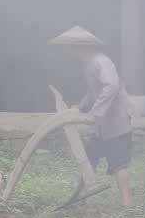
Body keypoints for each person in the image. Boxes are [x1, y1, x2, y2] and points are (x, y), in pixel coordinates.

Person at [50, 25, 135, 207]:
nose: (69, 51)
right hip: (103, 127)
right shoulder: (88, 62)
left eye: (72, 47)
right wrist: (79, 108)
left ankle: (127, 205)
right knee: (88, 159)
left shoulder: (100, 61)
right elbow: (93, 91)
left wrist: (95, 113)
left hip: (117, 122)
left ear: (81, 46)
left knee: (119, 164)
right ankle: (80, 199)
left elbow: (111, 86)